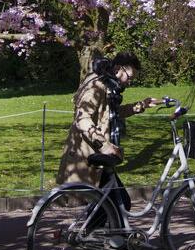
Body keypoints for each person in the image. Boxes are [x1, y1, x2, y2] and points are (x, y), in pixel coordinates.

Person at [60, 52, 164, 201]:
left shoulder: (109, 86)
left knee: (114, 205)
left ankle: (101, 223)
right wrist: (103, 145)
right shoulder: (96, 86)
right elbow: (82, 119)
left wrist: (140, 105)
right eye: (129, 77)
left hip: (102, 157)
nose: (129, 83)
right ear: (117, 69)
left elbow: (110, 114)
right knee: (116, 205)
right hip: (91, 154)